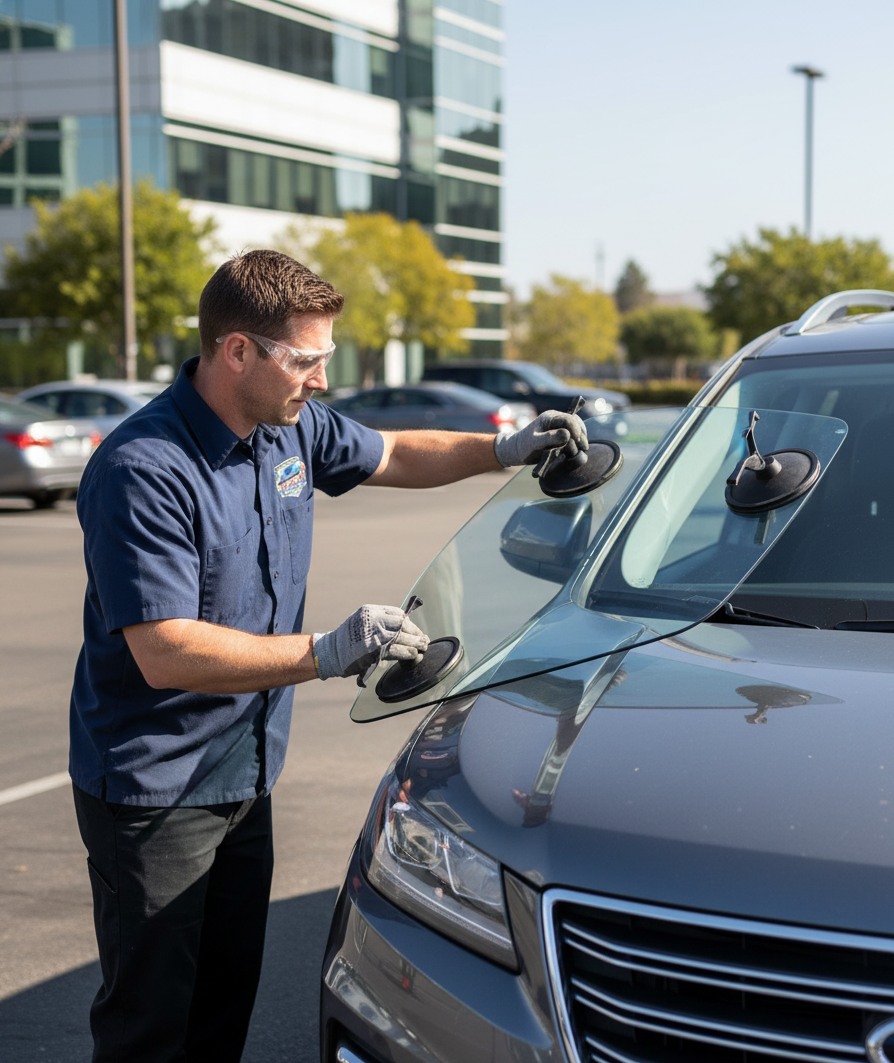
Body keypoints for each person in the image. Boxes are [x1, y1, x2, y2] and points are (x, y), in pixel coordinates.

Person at [69, 249, 588, 1063]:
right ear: (237, 351)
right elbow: (164, 652)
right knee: (150, 1022)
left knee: (222, 1002)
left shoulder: (292, 428)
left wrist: (502, 448)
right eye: (305, 360)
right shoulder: (144, 469)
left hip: (243, 773)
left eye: (325, 360)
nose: (319, 381)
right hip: (155, 789)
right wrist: (325, 650)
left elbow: (394, 454)